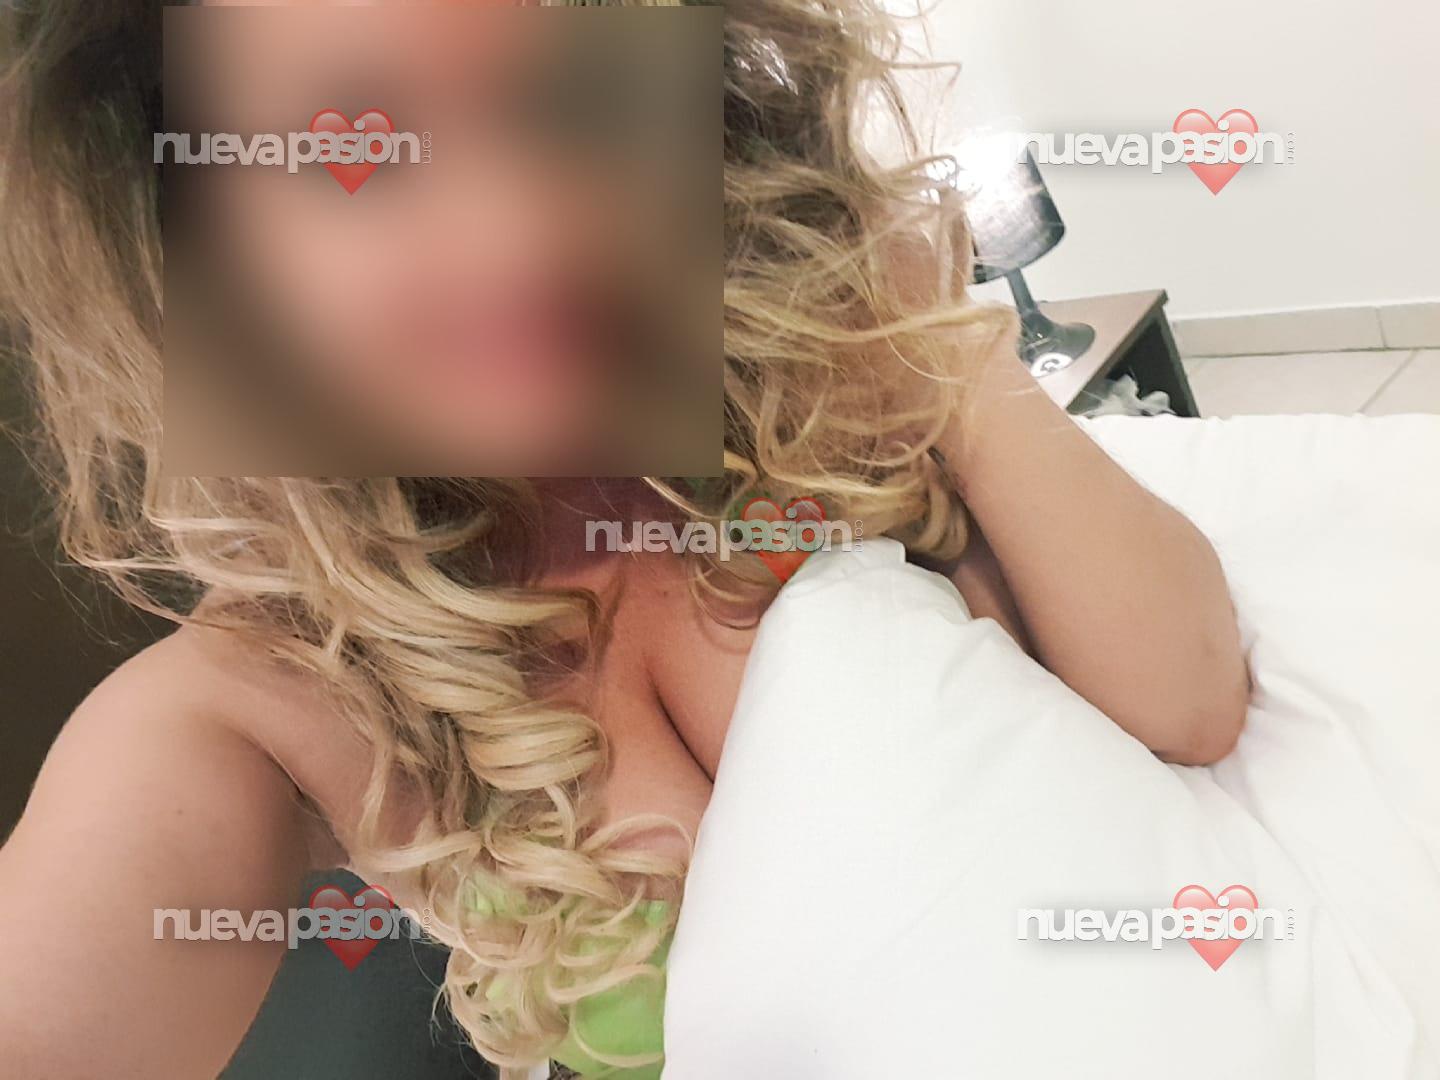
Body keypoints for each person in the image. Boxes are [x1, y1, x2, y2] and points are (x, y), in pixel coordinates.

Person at [0, 0, 1248, 1077]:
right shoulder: (264, 698)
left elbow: (1189, 701)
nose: (518, 235)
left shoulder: (826, 387)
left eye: (568, 107)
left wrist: (936, 348)